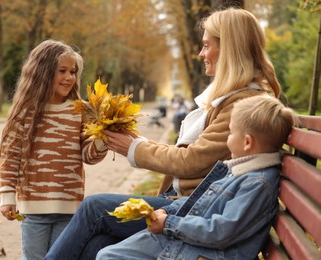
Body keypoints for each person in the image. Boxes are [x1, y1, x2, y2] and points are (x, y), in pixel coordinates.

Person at [45, 7, 282, 259]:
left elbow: (191, 161)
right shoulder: (235, 99)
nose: (201, 53)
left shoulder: (242, 105)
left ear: (229, 49)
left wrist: (133, 148)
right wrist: (137, 141)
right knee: (99, 244)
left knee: (93, 208)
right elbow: (193, 156)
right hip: (186, 203)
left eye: (206, 46)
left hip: (192, 208)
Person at [97, 95, 296, 259]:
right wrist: (166, 212)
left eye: (230, 133)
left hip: (200, 252)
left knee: (108, 256)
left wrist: (169, 223)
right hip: (191, 242)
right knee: (105, 252)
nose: (227, 140)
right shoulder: (240, 172)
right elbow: (199, 204)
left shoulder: (255, 184)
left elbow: (220, 231)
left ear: (246, 143)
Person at [0, 39, 108, 260]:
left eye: (73, 72)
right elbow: (11, 156)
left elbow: (88, 155)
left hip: (69, 208)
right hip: (33, 209)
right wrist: (7, 194)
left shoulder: (80, 112)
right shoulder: (25, 112)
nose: (69, 77)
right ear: (43, 73)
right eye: (62, 71)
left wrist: (103, 137)